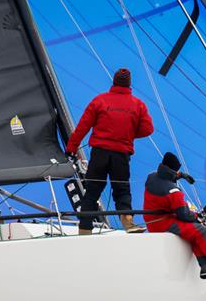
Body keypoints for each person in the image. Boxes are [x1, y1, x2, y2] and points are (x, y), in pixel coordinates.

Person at [65, 68, 154, 235]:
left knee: (92, 190)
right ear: (129, 84)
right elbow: (148, 129)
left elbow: (82, 128)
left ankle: (84, 229)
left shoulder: (99, 100)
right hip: (121, 154)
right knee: (121, 189)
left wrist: (71, 149)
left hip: (99, 153)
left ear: (114, 82)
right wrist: (128, 134)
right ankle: (128, 224)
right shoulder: (138, 104)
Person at [144, 152, 206, 279]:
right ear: (174, 170)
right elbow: (183, 214)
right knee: (200, 230)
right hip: (163, 223)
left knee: (194, 232)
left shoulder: (151, 177)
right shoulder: (173, 191)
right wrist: (196, 216)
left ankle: (205, 267)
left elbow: (164, 176)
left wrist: (180, 176)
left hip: (152, 221)